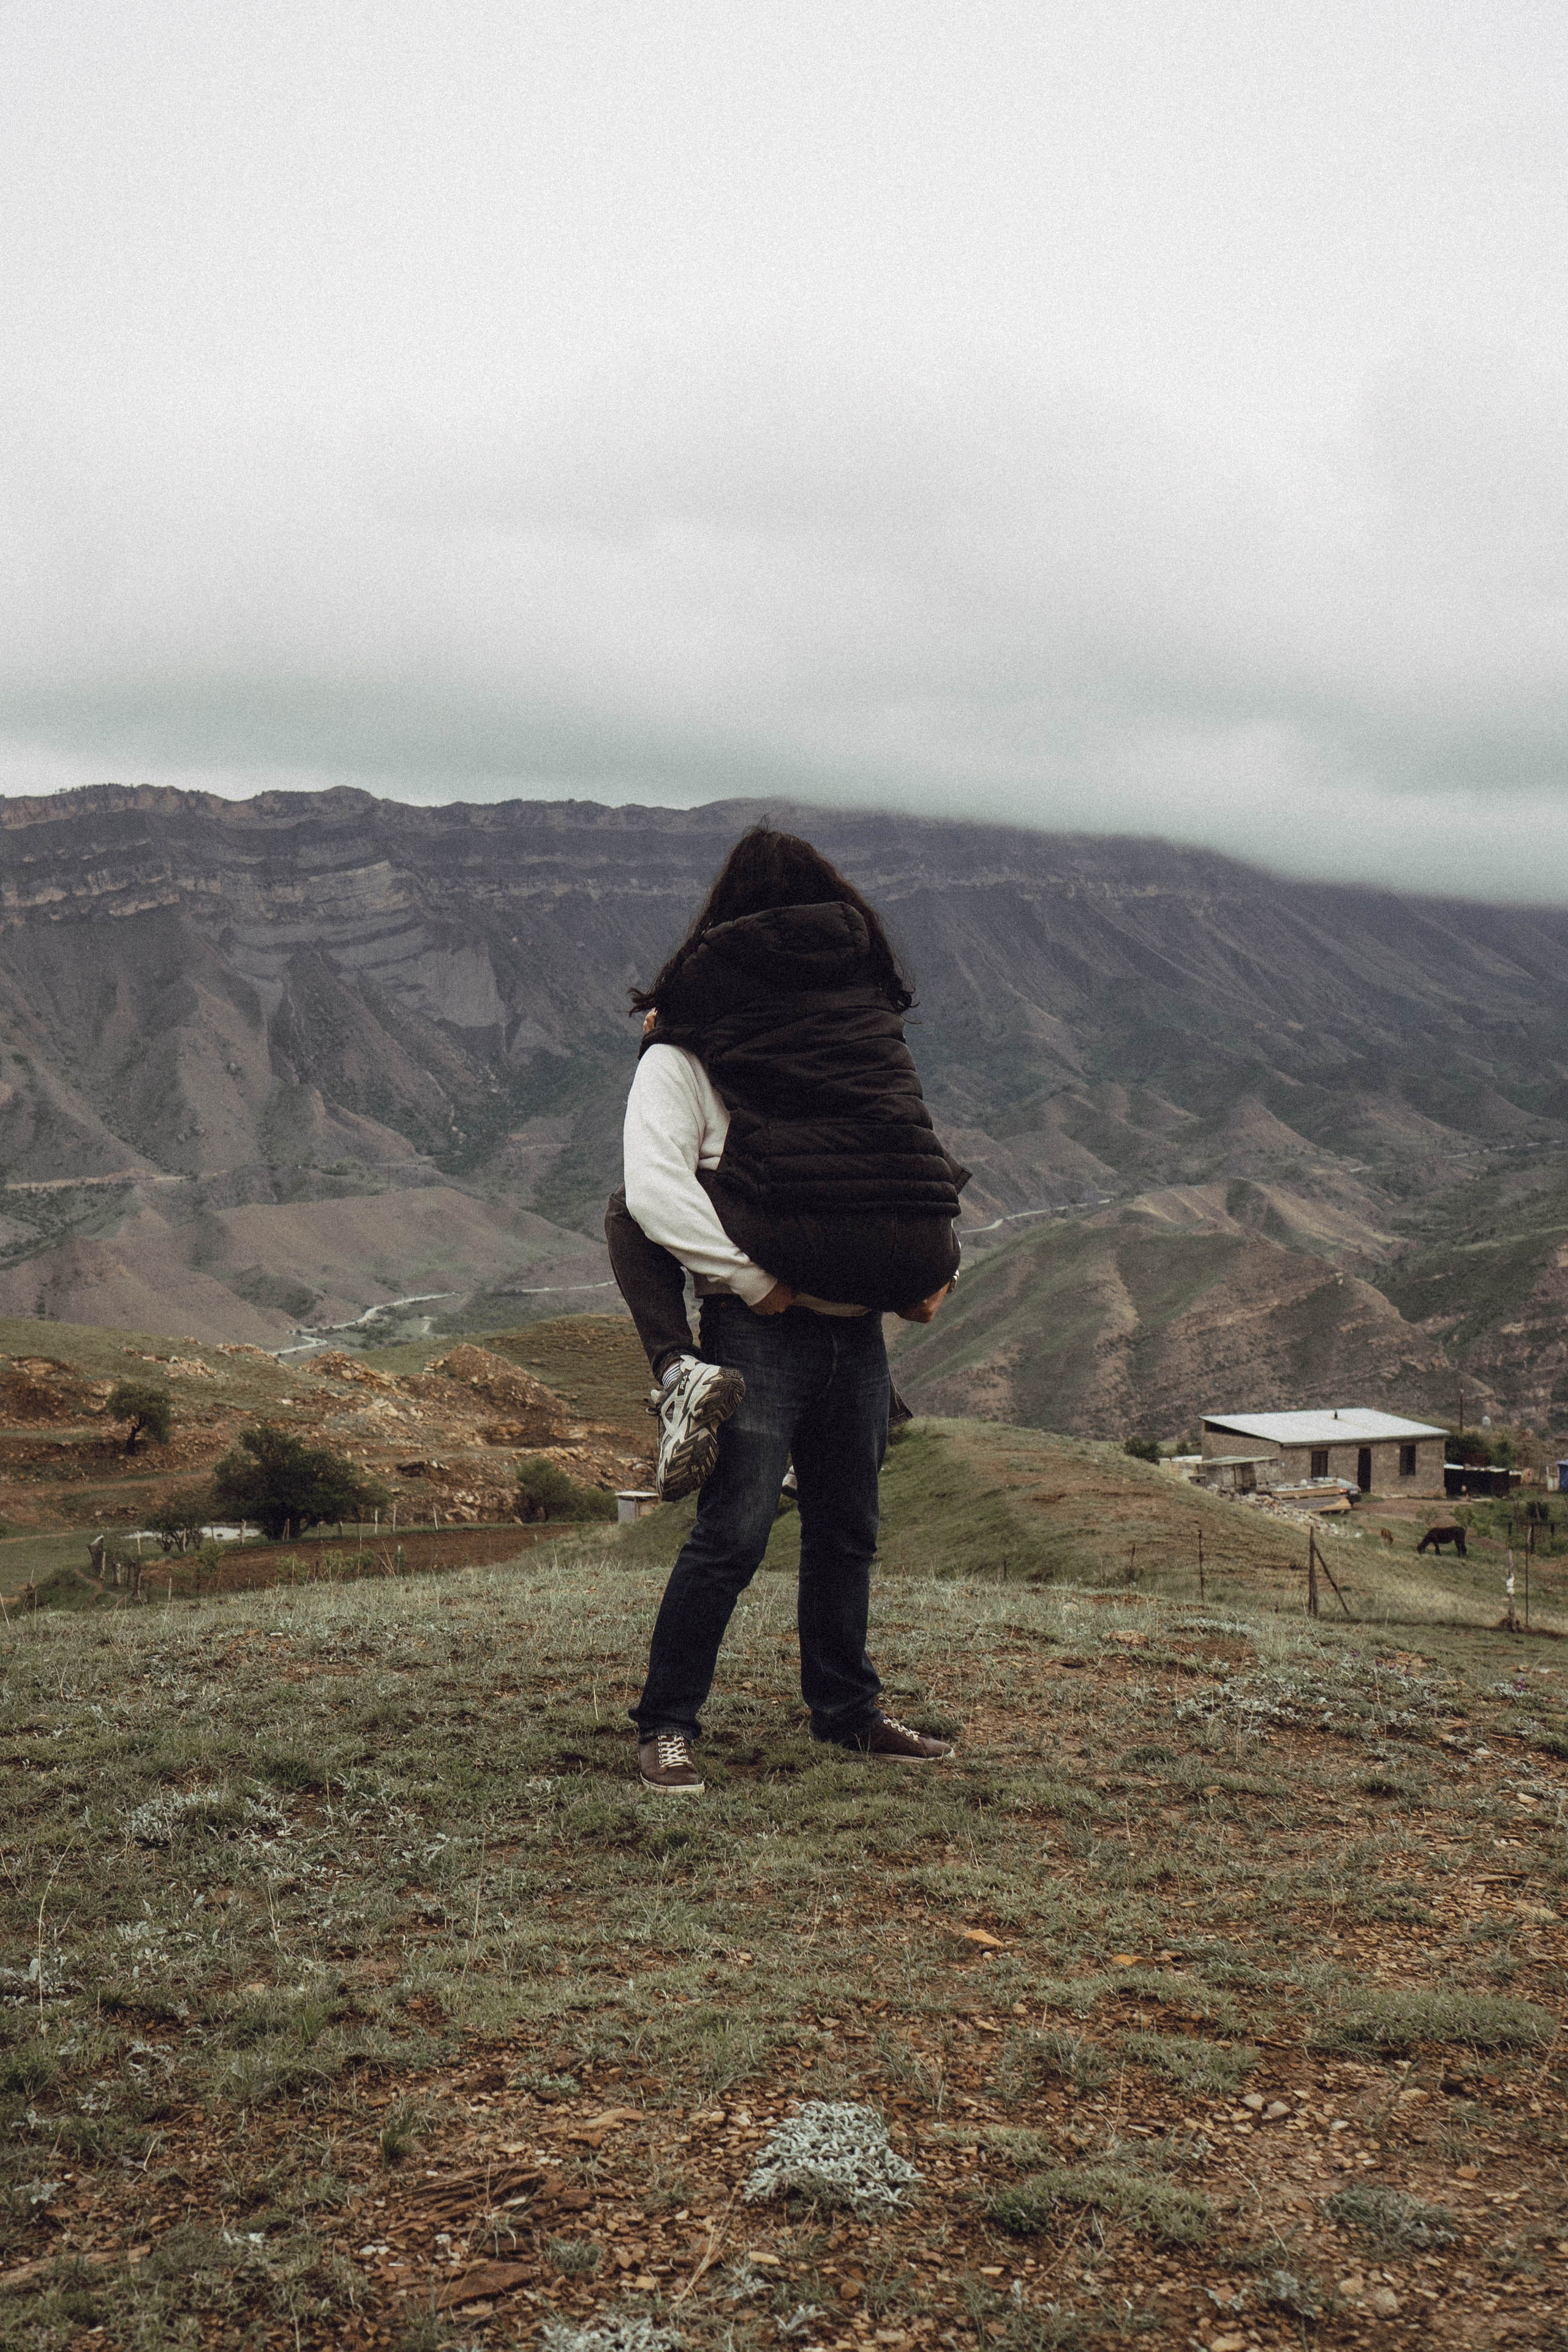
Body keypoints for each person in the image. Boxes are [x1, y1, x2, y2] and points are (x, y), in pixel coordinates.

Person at [610, 824, 967, 1794]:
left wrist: (931, 1273)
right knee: (733, 1532)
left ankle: (846, 1712)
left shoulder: (853, 1051)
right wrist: (751, 1279)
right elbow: (653, 1189)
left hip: (855, 1331)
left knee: (849, 1527)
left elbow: (906, 1165)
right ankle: (668, 1723)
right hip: (759, 1329)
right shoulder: (689, 1053)